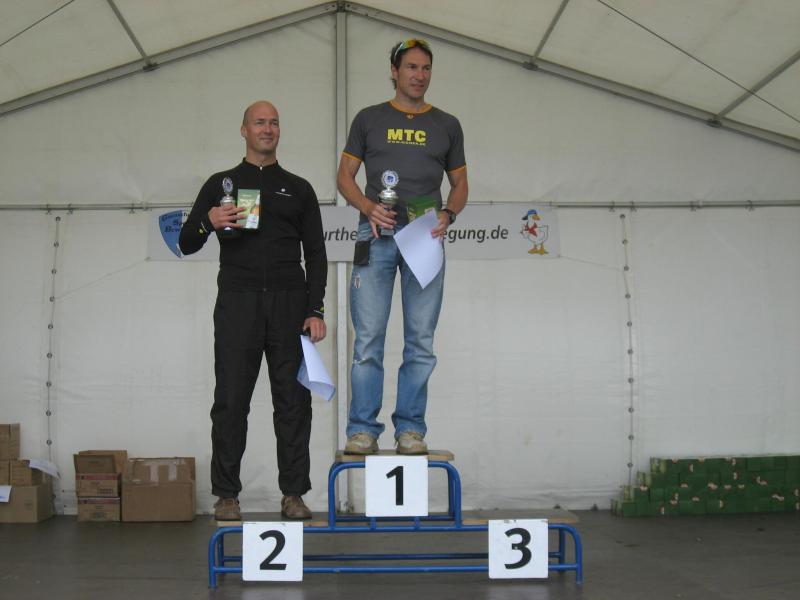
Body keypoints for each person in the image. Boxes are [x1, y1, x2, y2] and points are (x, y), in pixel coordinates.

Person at [179, 101, 327, 521]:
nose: (268, 129)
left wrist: (315, 309)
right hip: (238, 302)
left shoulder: (299, 188)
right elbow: (187, 242)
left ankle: (294, 494)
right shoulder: (220, 184)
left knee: (293, 403)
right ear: (243, 130)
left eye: (274, 122)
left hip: (289, 305)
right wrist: (208, 220)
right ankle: (226, 496)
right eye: (259, 122)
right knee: (230, 401)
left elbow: (316, 254)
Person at [337, 39, 468, 455]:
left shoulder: (447, 124)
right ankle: (362, 430)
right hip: (376, 233)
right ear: (394, 71)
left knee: (421, 341)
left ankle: (410, 429)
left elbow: (461, 183)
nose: (419, 75)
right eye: (411, 67)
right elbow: (344, 177)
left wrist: (449, 212)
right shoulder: (369, 118)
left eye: (425, 68)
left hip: (425, 235)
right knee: (368, 340)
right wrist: (367, 207)